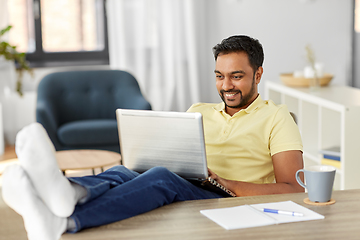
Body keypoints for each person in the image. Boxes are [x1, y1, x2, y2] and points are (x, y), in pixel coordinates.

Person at [1, 35, 304, 240]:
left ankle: (67, 220)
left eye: (236, 76)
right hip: (195, 183)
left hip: (228, 200)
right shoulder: (199, 110)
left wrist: (228, 184)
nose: (226, 85)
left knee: (162, 178)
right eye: (219, 75)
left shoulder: (277, 117)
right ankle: (69, 193)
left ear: (258, 74)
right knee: (126, 169)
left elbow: (293, 188)